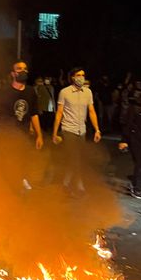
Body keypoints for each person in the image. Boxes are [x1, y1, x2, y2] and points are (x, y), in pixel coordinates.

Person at [52, 67, 101, 196]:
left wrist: (97, 130)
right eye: (78, 75)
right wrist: (55, 133)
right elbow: (59, 113)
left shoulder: (88, 92)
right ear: (72, 77)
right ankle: (77, 185)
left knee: (78, 158)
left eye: (83, 75)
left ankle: (66, 184)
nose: (81, 77)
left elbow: (91, 111)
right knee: (74, 158)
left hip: (81, 130)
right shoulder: (65, 92)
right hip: (68, 129)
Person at [0, 60, 44, 150]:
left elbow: (34, 115)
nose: (23, 71)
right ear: (13, 74)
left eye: (25, 69)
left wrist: (39, 136)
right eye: (19, 69)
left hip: (25, 137)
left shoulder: (31, 91)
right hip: (6, 137)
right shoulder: (3, 92)